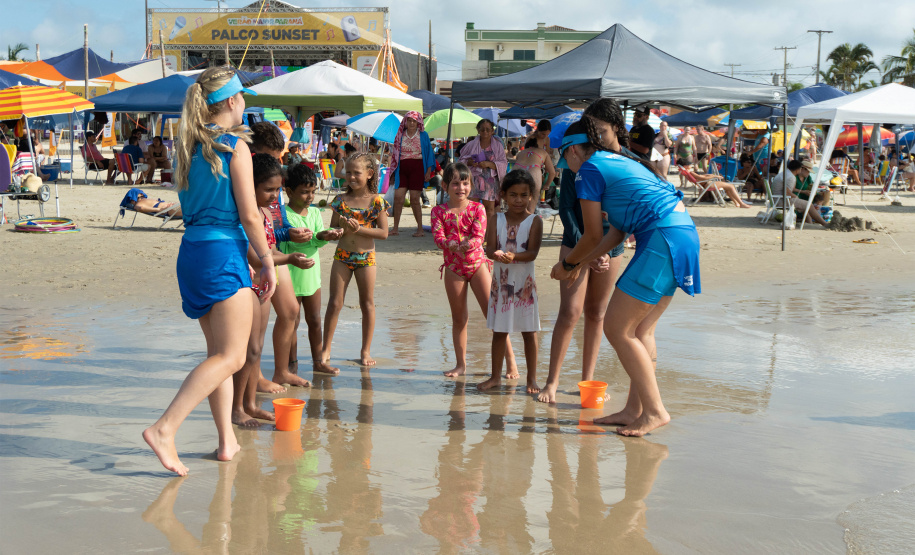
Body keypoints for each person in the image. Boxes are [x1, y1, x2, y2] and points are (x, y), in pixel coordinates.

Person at [143, 67, 276, 476]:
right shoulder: (235, 147)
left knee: (218, 354)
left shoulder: (187, 146)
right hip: (222, 254)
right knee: (232, 356)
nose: (246, 106)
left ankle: (226, 440)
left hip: (193, 253)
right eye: (244, 99)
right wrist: (268, 260)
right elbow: (251, 215)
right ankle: (165, 428)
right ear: (233, 101)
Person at [550, 112, 702, 437]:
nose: (567, 169)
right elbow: (615, 232)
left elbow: (590, 235)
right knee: (642, 329)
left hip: (662, 239)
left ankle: (656, 411)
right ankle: (635, 409)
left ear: (573, 150)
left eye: (564, 160)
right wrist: (588, 260)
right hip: (680, 235)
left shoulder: (589, 169)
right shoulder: (616, 162)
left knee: (616, 327)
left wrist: (566, 266)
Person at [538, 99, 630, 404]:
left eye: (601, 129)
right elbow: (566, 210)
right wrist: (587, 251)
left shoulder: (619, 162)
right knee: (570, 312)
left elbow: (624, 214)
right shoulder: (574, 160)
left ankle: (587, 380)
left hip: (611, 245)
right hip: (576, 241)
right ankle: (552, 381)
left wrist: (604, 249)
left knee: (597, 313)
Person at [232, 154, 316, 427]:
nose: (274, 195)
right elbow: (257, 256)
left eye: (277, 189)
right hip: (248, 285)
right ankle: (237, 407)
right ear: (250, 186)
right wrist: (290, 259)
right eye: (268, 189)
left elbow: (269, 247)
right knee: (246, 350)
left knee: (255, 349)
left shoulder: (267, 213)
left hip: (263, 285)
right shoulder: (248, 214)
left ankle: (250, 405)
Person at [431, 162, 518, 378]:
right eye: (455, 184)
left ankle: (511, 363)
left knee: (493, 315)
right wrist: (449, 244)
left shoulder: (477, 208)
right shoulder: (438, 211)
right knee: (459, 318)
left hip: (477, 265)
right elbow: (438, 236)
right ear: (445, 186)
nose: (460, 188)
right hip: (453, 267)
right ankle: (461, 365)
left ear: (471, 185)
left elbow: (480, 236)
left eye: (465, 183)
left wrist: (466, 245)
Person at [249, 121, 313, 391]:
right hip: (257, 253)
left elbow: (277, 222)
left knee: (290, 311)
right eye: (268, 157)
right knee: (257, 327)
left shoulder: (270, 180)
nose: (273, 164)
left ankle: (281, 371)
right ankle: (255, 377)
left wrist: (289, 234)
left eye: (277, 159)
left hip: (273, 248)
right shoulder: (248, 178)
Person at [479, 169, 543, 394]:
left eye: (524, 195)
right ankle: (496, 376)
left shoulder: (535, 221)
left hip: (524, 283)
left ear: (531, 196)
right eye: (513, 195)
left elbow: (533, 252)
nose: (519, 200)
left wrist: (514, 256)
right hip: (502, 283)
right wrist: (497, 254)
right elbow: (488, 249)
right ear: (503, 195)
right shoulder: (497, 218)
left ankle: (532, 379)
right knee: (499, 331)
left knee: (529, 332)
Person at [323, 152, 389, 367]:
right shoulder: (340, 200)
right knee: (334, 303)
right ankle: (326, 349)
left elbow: (384, 233)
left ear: (370, 174)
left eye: (356, 173)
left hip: (366, 258)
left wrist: (359, 229)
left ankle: (365, 351)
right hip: (342, 256)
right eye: (348, 172)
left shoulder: (377, 201)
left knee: (367, 303)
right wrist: (338, 230)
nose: (351, 177)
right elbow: (333, 228)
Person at [280, 163, 344, 377]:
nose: (310, 196)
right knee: (292, 321)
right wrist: (302, 238)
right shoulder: (283, 214)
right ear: (289, 191)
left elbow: (317, 240)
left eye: (313, 191)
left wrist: (325, 236)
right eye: (304, 192)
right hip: (290, 274)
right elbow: (284, 245)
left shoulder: (315, 212)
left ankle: (319, 361)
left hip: (311, 275)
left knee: (315, 319)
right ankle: (291, 364)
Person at [389, 111, 435, 237]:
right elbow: (394, 155)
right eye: (409, 120)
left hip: (418, 168)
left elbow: (430, 154)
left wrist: (428, 171)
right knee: (398, 197)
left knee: (415, 199)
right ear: (405, 122)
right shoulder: (400, 135)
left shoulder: (423, 135)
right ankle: (395, 228)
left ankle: (420, 229)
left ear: (418, 122)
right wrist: (392, 172)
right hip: (402, 169)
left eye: (414, 121)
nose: (412, 123)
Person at [459, 119, 507, 221]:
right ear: (478, 130)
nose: (485, 132)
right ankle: (473, 232)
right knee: (472, 208)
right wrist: (469, 162)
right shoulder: (471, 144)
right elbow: (461, 160)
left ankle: (489, 234)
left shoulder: (498, 146)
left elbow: (503, 163)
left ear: (492, 131)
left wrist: (490, 164)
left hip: (490, 182)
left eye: (488, 129)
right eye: (482, 129)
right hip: (473, 180)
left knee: (490, 209)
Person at [771, 159, 829, 227]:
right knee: (808, 205)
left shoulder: (785, 173)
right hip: (782, 201)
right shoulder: (791, 177)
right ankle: (824, 223)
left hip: (777, 199)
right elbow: (786, 193)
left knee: (804, 204)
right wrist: (796, 197)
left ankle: (810, 223)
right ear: (797, 169)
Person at [512, 136, 557, 212]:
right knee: (530, 210)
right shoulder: (543, 152)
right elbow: (552, 172)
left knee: (515, 207)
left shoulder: (521, 153)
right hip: (533, 171)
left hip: (516, 171)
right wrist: (547, 185)